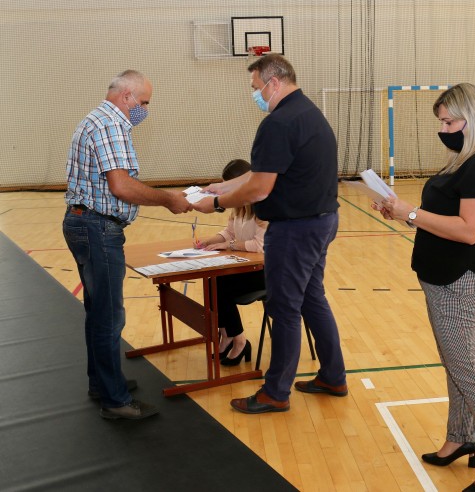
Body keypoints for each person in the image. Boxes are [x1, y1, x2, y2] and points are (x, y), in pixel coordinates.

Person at [193, 54, 347, 414]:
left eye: (256, 87)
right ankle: (333, 375)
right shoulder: (307, 113)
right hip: (322, 221)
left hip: (294, 229)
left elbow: (260, 188)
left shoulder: (278, 123)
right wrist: (222, 185)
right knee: (312, 299)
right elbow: (266, 171)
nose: (256, 95)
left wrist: (216, 204)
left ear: (273, 82)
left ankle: (275, 392)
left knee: (286, 308)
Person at [373, 83, 475, 492]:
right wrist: (401, 213)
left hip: (460, 282)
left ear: (474, 118)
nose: (443, 128)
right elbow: (437, 217)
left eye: (448, 121)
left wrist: (409, 212)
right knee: (455, 366)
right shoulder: (461, 161)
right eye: (441, 121)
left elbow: (469, 231)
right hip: (438, 276)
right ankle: (460, 437)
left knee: (471, 374)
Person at [63, 70, 191, 420]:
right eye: (144, 102)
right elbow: (120, 185)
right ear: (127, 97)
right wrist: (167, 199)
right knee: (109, 317)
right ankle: (115, 401)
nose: (145, 110)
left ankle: (102, 382)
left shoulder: (98, 119)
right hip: (97, 228)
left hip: (85, 223)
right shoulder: (110, 125)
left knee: (98, 312)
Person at [195, 159, 268, 365]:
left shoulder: (263, 207)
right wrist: (209, 241)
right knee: (213, 280)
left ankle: (238, 340)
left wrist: (229, 245)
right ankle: (227, 334)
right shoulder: (238, 206)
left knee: (220, 284)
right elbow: (229, 232)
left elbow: (260, 245)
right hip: (247, 267)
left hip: (266, 273)